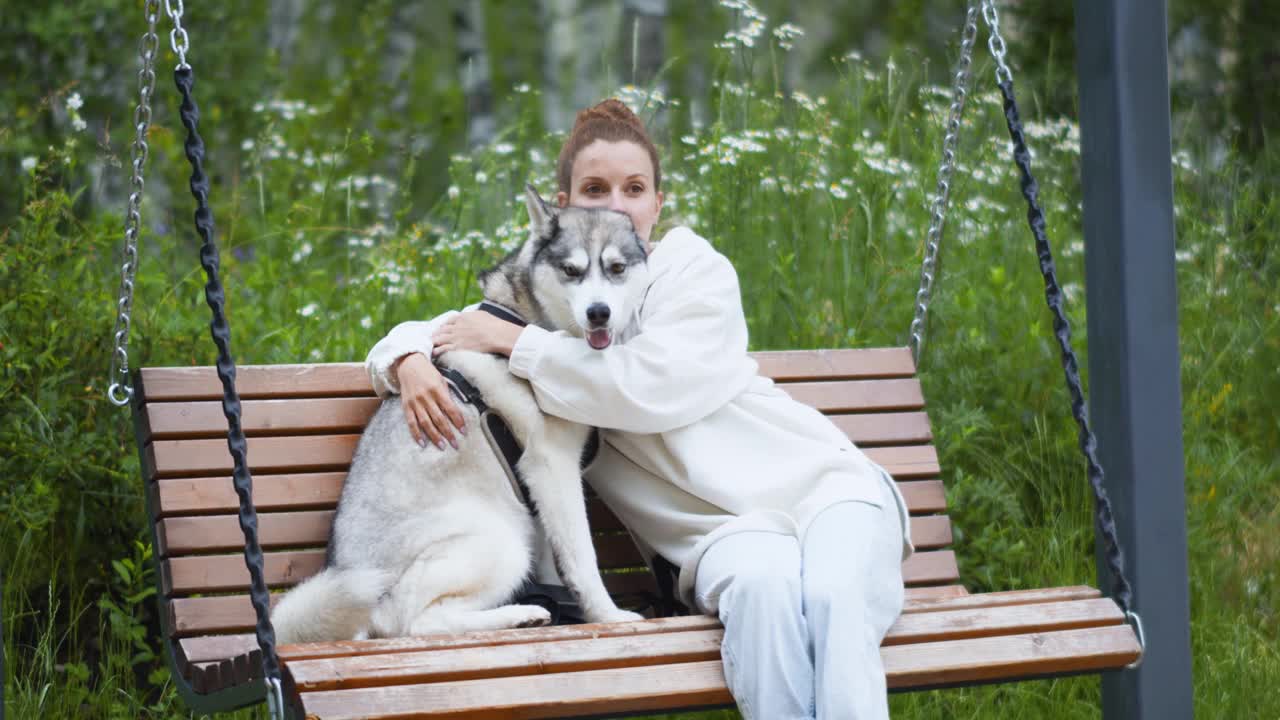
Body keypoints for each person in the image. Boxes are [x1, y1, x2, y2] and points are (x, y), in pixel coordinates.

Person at [365, 98, 914, 720]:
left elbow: (645, 386)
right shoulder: (562, 295)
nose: (614, 206)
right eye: (594, 189)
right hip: (721, 539)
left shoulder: (691, 271)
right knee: (765, 592)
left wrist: (518, 342)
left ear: (657, 202)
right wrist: (406, 358)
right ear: (562, 204)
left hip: (821, 491)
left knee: (834, 595)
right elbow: (456, 327)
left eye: (634, 188)